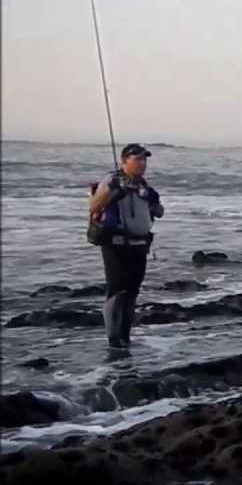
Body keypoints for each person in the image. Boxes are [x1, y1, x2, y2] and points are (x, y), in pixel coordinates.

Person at [88, 143, 163, 348]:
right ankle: (113, 339)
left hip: (140, 245)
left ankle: (125, 336)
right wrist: (116, 193)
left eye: (144, 159)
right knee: (117, 291)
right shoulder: (112, 180)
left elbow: (159, 212)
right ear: (124, 161)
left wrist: (153, 200)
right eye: (137, 159)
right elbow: (94, 205)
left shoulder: (144, 186)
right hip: (116, 244)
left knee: (132, 291)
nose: (142, 163)